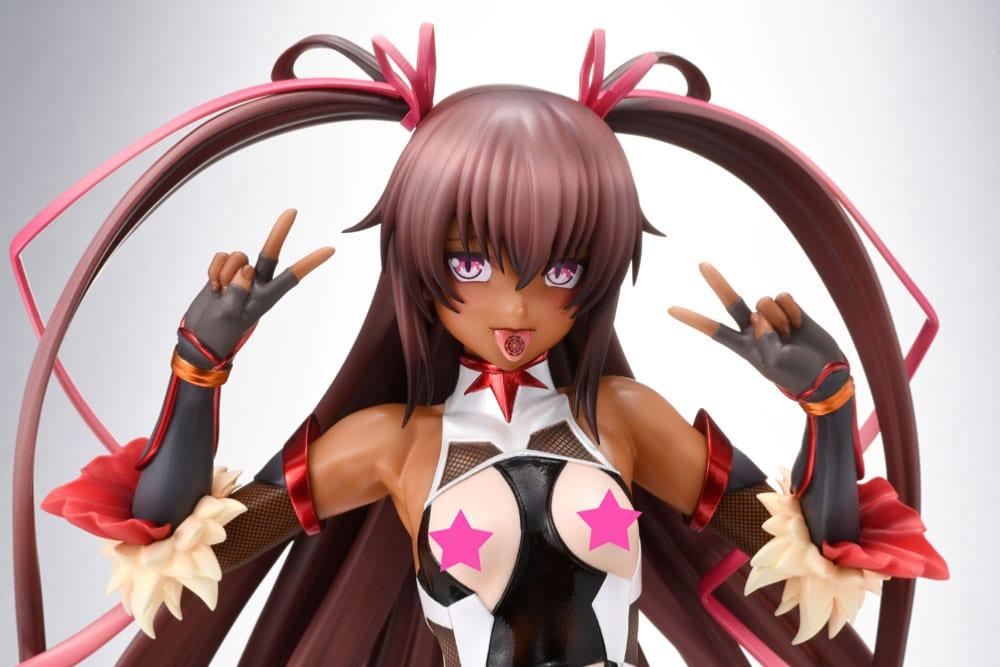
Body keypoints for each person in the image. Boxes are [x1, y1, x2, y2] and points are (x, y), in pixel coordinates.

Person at [19, 26, 946, 666]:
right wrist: (198, 366)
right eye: (472, 261)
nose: (516, 302)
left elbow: (807, 556)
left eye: (560, 268)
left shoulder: (622, 420)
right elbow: (193, 551)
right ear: (422, 266)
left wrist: (829, 403)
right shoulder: (396, 445)